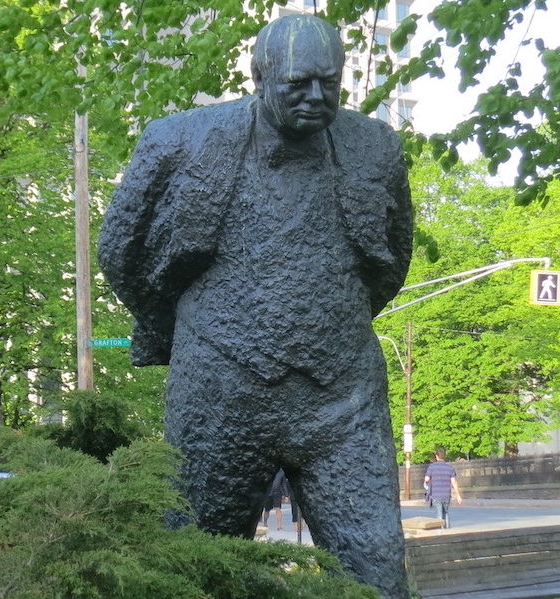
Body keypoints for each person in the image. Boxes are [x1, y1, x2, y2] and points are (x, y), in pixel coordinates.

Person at [99, 14, 412, 599]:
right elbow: (121, 250)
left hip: (343, 398)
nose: (317, 97)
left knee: (377, 572)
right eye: (298, 83)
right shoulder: (179, 140)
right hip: (218, 392)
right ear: (260, 77)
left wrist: (330, 319)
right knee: (194, 567)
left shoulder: (377, 147)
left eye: (329, 81)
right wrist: (183, 328)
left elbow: (391, 261)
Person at [424, 446, 462, 528]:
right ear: (445, 456)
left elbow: (426, 479)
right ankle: (447, 530)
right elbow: (454, 482)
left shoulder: (432, 467)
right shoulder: (450, 468)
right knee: (446, 512)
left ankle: (440, 532)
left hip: (436, 494)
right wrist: (458, 495)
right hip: (446, 495)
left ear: (436, 456)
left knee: (439, 514)